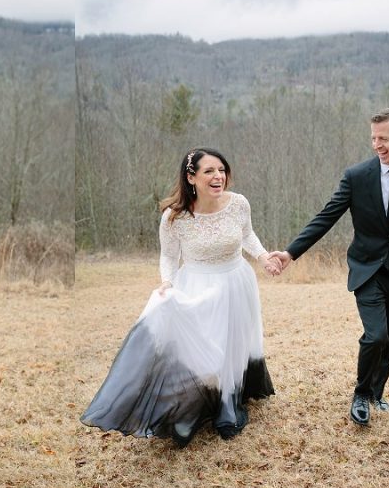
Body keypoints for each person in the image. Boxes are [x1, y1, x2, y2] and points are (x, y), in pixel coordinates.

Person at [81, 147, 278, 445]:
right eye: (209, 171)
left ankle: (227, 405)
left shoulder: (239, 204)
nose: (218, 176)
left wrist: (263, 258)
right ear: (191, 177)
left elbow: (248, 234)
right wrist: (167, 283)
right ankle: (189, 410)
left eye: (221, 170)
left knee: (231, 347)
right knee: (200, 353)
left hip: (236, 281)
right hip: (197, 286)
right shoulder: (174, 217)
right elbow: (169, 258)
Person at [272, 107, 389, 426]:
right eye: (373, 138)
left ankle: (377, 393)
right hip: (367, 268)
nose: (376, 145)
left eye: (384, 138)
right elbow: (326, 217)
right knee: (376, 334)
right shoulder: (357, 176)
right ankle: (361, 395)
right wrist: (291, 253)